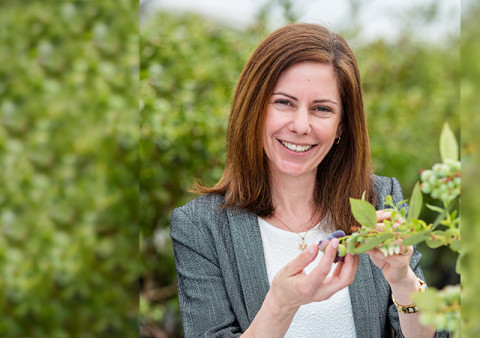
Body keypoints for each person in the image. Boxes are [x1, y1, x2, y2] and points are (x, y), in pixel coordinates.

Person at [171, 23, 448, 338]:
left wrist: (403, 281)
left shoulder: (380, 199)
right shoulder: (200, 226)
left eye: (321, 109)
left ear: (342, 125)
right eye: (284, 102)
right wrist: (281, 304)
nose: (301, 126)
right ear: (254, 109)